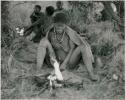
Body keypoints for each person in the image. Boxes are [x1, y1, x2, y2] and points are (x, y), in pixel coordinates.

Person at [37, 13, 99, 81]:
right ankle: (38, 69)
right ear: (54, 24)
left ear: (65, 25)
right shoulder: (50, 33)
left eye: (62, 25)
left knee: (83, 47)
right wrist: (51, 51)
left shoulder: (69, 34)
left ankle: (91, 74)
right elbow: (46, 47)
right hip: (55, 61)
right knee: (43, 41)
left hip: (69, 62)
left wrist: (64, 64)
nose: (59, 27)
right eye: (58, 25)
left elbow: (72, 49)